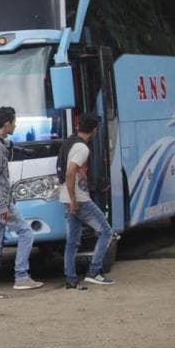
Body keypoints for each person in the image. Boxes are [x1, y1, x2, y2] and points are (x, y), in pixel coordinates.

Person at [0, 106, 43, 300]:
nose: (16, 125)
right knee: (26, 232)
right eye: (14, 122)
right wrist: (2, 207)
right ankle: (21, 276)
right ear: (7, 124)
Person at [59, 113, 115, 289]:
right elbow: (70, 173)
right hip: (79, 199)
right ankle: (94, 271)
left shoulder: (69, 142)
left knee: (73, 241)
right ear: (94, 130)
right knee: (106, 231)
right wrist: (74, 200)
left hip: (65, 197)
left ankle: (71, 279)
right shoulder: (82, 148)